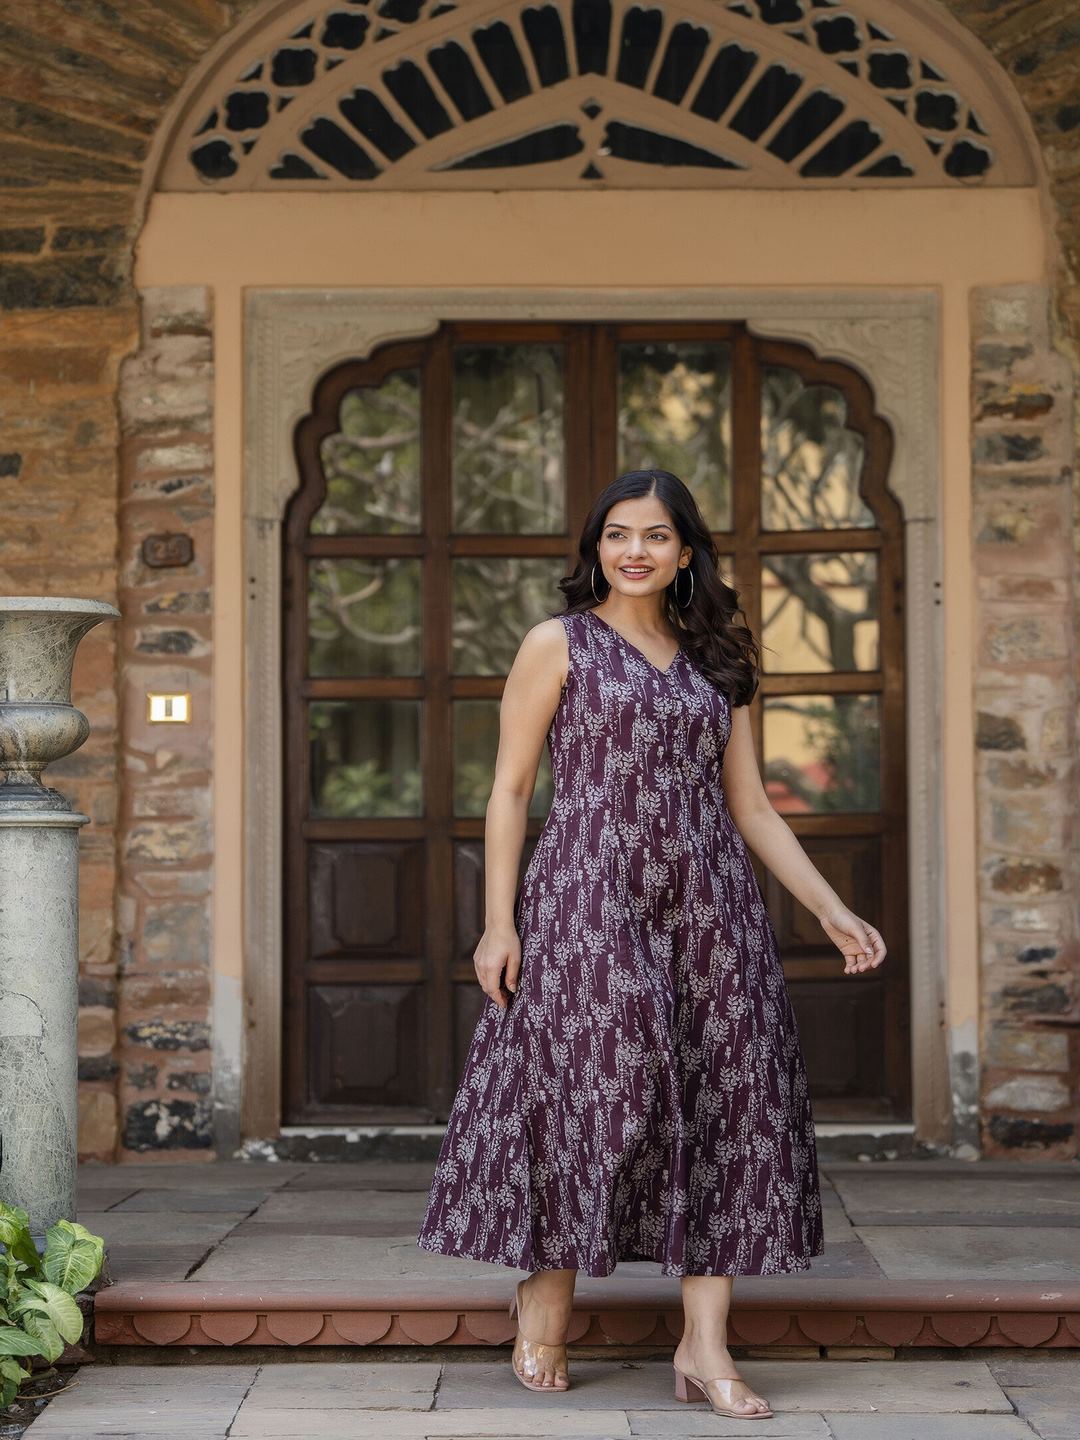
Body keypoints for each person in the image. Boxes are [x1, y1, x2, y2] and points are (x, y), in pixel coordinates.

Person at [416, 469, 886, 1420]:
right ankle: (546, 1292)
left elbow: (750, 804)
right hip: (588, 895)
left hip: (712, 904)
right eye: (618, 533)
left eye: (657, 536)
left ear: (685, 552)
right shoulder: (558, 643)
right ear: (595, 546)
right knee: (594, 1081)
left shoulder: (721, 655)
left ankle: (703, 1342)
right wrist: (499, 920)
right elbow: (510, 792)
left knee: (726, 1094)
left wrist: (828, 906)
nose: (636, 550)